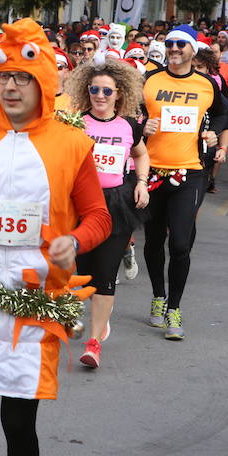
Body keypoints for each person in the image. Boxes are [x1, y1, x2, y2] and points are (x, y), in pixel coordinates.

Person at [0, 18, 111, 456]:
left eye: (22, 78)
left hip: (36, 300)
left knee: (18, 425)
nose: (10, 87)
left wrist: (78, 241)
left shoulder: (71, 144)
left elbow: (99, 216)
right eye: (3, 76)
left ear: (43, 81)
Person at [141, 25, 228, 340]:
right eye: (170, 44)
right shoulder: (149, 80)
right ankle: (158, 296)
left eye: (180, 44)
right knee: (153, 242)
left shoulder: (206, 84)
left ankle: (174, 309)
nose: (174, 49)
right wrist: (143, 127)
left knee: (180, 243)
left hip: (190, 171)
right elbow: (131, 117)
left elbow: (223, 115)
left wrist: (212, 133)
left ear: (193, 50)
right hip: (152, 171)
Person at [66, 59, 150, 368]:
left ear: (119, 94)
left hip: (115, 204)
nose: (100, 96)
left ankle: (93, 341)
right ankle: (96, 319)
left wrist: (141, 182)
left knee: (104, 275)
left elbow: (141, 153)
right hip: (79, 204)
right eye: (94, 90)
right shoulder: (74, 122)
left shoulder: (129, 125)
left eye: (106, 91)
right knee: (80, 273)